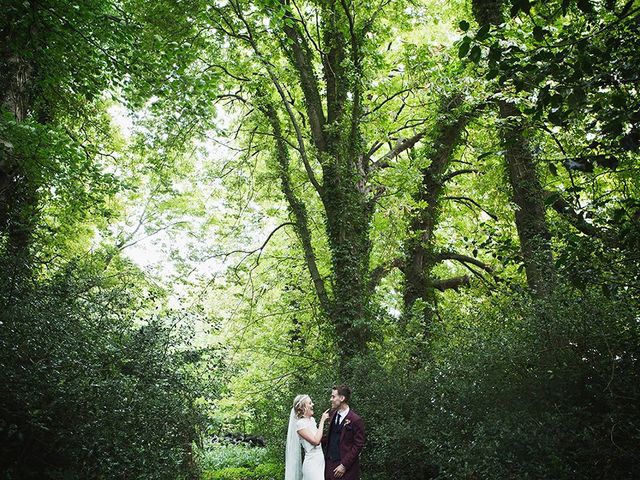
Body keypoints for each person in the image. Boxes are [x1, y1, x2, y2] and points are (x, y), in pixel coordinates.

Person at [322, 385, 365, 480]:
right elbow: (328, 438)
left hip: (346, 471)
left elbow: (358, 445)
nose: (331, 399)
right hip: (329, 467)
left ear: (342, 398)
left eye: (333, 396)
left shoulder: (355, 420)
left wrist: (344, 465)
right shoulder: (331, 415)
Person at [285, 394, 330, 480]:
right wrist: (322, 420)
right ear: (303, 407)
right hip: (312, 463)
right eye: (310, 403)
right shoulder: (300, 424)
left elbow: (319, 437)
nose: (312, 404)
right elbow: (316, 441)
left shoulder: (312, 420)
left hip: (320, 460)